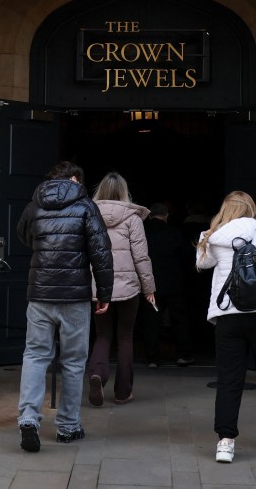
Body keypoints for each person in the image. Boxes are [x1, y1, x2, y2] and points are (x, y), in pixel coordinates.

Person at [15, 161, 114, 453]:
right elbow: (101, 253)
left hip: (40, 293)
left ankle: (29, 420)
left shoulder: (34, 205)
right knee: (72, 362)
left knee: (34, 355)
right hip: (74, 296)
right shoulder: (85, 206)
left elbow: (25, 236)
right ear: (75, 178)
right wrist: (104, 293)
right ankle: (68, 427)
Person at [195, 191, 256, 463]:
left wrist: (207, 235)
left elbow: (202, 264)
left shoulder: (215, 237)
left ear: (225, 211)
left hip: (229, 316)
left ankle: (225, 442)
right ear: (251, 209)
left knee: (229, 379)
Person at [85, 171, 156, 406]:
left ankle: (97, 374)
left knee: (102, 335)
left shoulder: (89, 214)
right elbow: (141, 257)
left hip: (99, 286)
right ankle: (123, 392)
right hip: (128, 289)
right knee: (125, 338)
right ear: (124, 192)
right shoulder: (133, 218)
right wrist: (149, 288)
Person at [140, 202, 194, 367]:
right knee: (179, 320)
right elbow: (187, 258)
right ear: (167, 216)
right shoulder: (176, 234)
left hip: (152, 285)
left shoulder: (144, 234)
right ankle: (183, 355)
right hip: (175, 284)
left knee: (152, 322)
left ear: (149, 216)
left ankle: (152, 358)